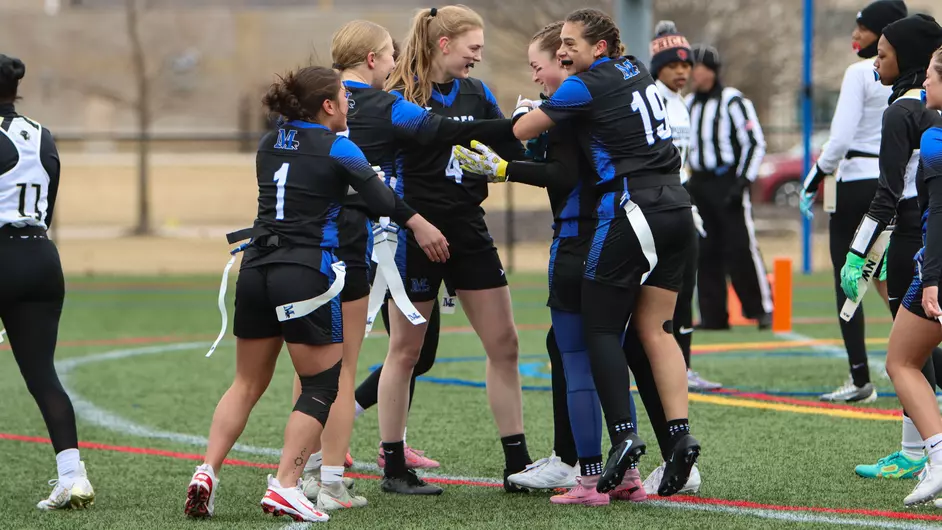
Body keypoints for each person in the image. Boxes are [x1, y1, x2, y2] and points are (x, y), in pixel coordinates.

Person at [182, 65, 447, 522]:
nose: (350, 104)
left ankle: (207, 470)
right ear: (327, 105)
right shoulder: (338, 146)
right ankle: (286, 484)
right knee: (323, 382)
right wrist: (420, 224)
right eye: (345, 96)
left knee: (246, 383)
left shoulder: (269, 143)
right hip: (304, 271)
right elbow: (379, 197)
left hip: (255, 266)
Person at [295, 18, 521, 501]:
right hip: (391, 235)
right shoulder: (388, 101)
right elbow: (430, 135)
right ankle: (332, 470)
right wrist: (529, 122)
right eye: (387, 56)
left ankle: (305, 471)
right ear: (374, 59)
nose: (395, 63)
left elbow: (336, 164)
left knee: (328, 365)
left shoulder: (316, 109)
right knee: (366, 360)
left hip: (321, 244)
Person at [512, 8, 700, 497]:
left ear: (598, 47)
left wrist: (522, 114)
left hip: (633, 207)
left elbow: (521, 132)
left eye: (570, 43)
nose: (562, 52)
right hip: (678, 204)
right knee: (654, 330)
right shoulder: (635, 66)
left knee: (597, 329)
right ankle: (679, 437)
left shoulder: (584, 85)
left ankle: (621, 438)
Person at [455, 21, 618, 502]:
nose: (535, 77)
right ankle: (609, 463)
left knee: (580, 352)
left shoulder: (572, 103)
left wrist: (506, 166)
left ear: (567, 60)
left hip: (585, 236)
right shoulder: (593, 98)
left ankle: (584, 468)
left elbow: (564, 175)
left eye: (537, 65)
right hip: (613, 232)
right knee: (584, 349)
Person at [378, 5, 532, 494]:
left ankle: (518, 463)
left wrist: (530, 129)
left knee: (504, 345)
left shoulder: (476, 91)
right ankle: (394, 466)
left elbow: (511, 146)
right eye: (472, 48)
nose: (478, 58)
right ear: (443, 44)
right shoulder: (398, 96)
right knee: (405, 350)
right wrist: (415, 223)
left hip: (468, 227)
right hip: (415, 232)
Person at [842, 15, 942, 484]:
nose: (874, 61)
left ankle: (921, 452)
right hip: (929, 231)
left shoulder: (901, 110)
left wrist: (857, 252)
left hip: (913, 238)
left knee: (908, 356)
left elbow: (887, 193)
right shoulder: (931, 104)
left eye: (882, 53)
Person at [0, 54, 95, 511]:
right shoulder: (43, 134)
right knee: (43, 375)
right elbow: (48, 205)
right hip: (40, 256)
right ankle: (73, 477)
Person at [801, 0, 907, 404]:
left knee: (848, 281)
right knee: (889, 283)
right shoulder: (919, 77)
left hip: (857, 187)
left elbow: (841, 140)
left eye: (862, 28)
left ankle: (860, 378)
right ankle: (926, 365)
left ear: (883, 31)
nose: (855, 35)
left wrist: (813, 177)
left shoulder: (860, 72)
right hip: (897, 187)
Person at [880, 37, 942, 506]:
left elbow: (939, 212)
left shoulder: (935, 137)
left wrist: (934, 276)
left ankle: (937, 459)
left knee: (901, 361)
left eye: (933, 74)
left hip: (937, 265)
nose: (924, 81)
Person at [649, 20, 721, 394]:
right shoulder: (652, 99)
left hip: (681, 202)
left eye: (686, 65)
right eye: (673, 64)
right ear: (657, 65)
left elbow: (685, 161)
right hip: (657, 205)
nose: (682, 72)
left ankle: (685, 367)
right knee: (658, 292)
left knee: (685, 287)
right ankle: (659, 366)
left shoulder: (682, 104)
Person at [686, 44, 772, 330]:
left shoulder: (732, 101)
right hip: (698, 183)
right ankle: (713, 316)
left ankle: (760, 309)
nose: (692, 74)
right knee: (704, 251)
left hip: (727, 182)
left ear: (710, 71)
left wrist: (742, 182)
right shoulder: (688, 104)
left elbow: (754, 143)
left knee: (740, 247)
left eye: (697, 68)